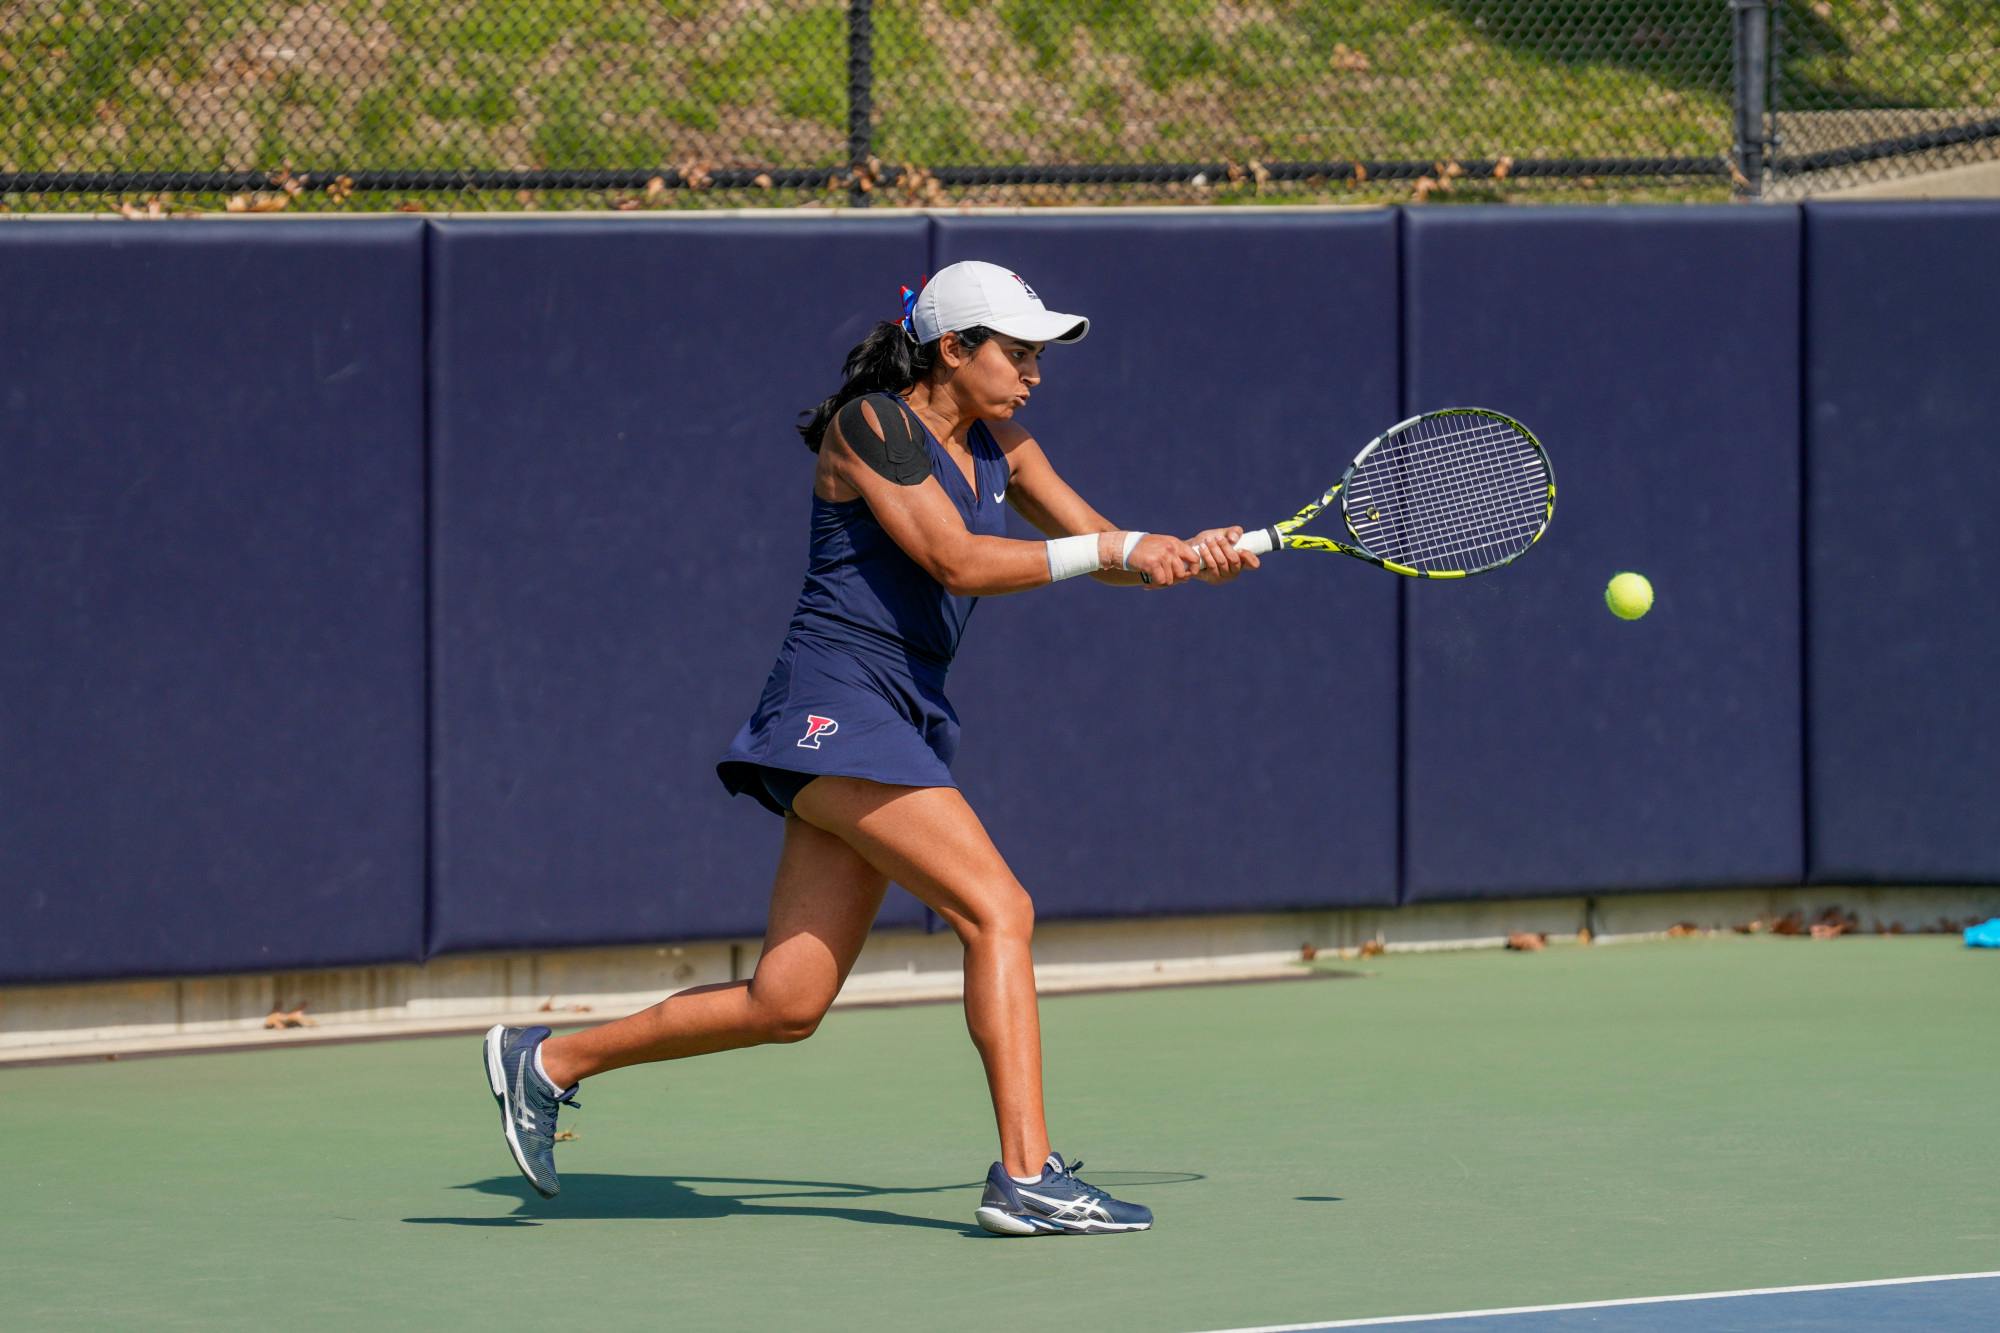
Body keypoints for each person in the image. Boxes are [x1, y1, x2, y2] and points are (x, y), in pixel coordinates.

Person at [481, 260, 1259, 1236]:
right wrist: (1115, 552)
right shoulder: (871, 426)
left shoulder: (1000, 443)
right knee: (997, 908)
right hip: (834, 702)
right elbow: (955, 559)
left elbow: (1102, 541)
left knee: (786, 1001)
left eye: (1035, 354)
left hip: (897, 709)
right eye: (1015, 352)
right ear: (952, 350)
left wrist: (1181, 552)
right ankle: (1027, 1174)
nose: (1032, 372)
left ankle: (548, 1060)